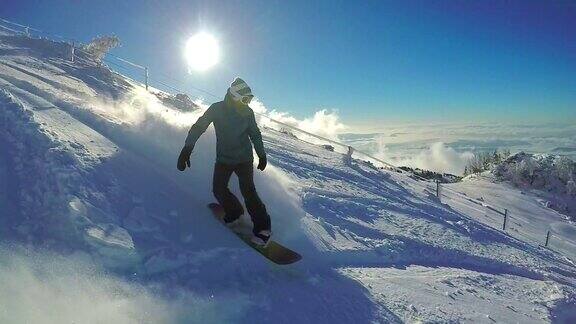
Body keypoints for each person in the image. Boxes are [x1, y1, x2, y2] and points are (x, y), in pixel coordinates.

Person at [177, 78, 272, 246]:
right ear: (234, 95)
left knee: (248, 191)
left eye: (249, 99)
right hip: (224, 159)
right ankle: (235, 211)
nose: (247, 102)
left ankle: (263, 228)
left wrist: (261, 154)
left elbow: (255, 134)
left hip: (244, 159)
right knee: (218, 189)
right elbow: (199, 126)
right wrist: (187, 149)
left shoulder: (247, 113)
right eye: (245, 99)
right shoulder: (217, 109)